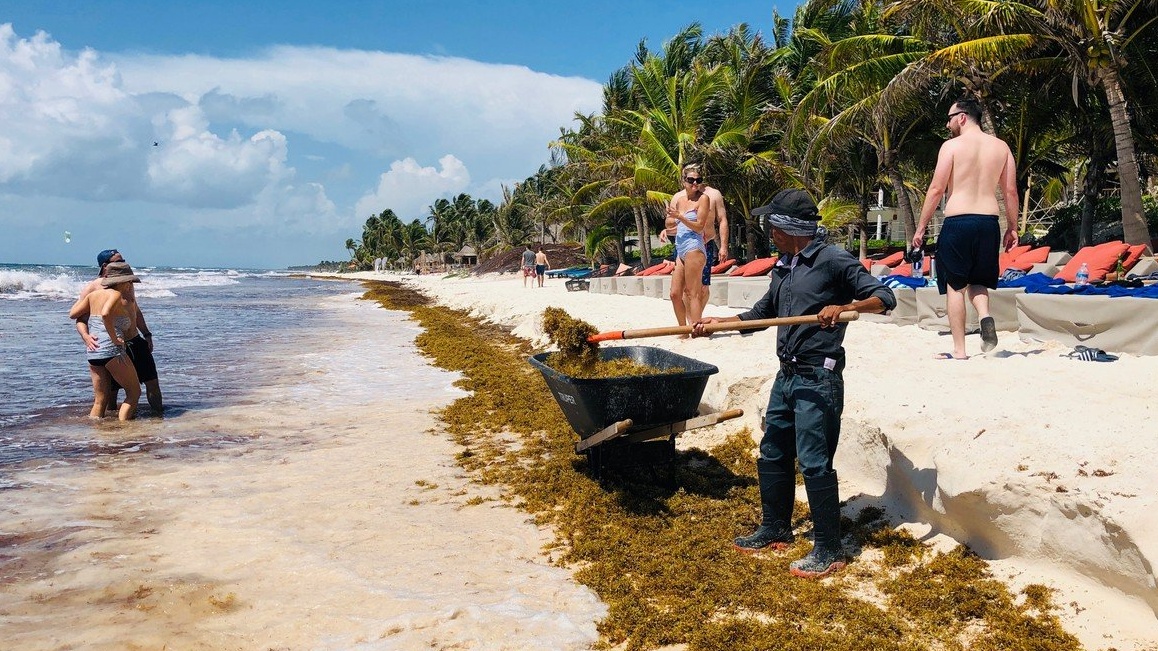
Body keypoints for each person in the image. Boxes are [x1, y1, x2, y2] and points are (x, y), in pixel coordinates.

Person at [692, 189, 896, 579]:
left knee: (815, 461)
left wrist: (847, 307)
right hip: (786, 375)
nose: (768, 229)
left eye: (772, 223)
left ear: (789, 227)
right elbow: (761, 315)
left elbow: (885, 298)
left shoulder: (833, 260)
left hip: (818, 376)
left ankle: (829, 550)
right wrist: (721, 325)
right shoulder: (784, 266)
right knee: (773, 451)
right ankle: (775, 528)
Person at [912, 96, 1019, 360]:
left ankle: (960, 350)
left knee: (955, 286)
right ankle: (985, 316)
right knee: (979, 281)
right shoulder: (1001, 147)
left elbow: (936, 189)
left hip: (958, 221)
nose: (948, 125)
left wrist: (921, 227)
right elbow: (1010, 191)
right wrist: (1013, 227)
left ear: (962, 117)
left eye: (949, 119)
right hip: (988, 222)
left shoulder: (951, 147)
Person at [75, 249, 163, 414]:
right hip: (112, 345)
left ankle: (159, 423)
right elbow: (79, 318)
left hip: (135, 340)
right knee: (111, 394)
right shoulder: (93, 288)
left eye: (123, 260)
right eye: (118, 261)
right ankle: (113, 429)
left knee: (152, 383)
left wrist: (147, 333)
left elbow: (134, 310)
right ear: (105, 266)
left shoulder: (127, 283)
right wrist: (86, 336)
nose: (123, 264)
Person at [68, 262, 144, 421]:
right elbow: (105, 313)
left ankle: (97, 435)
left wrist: (86, 336)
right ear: (122, 281)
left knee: (100, 399)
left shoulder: (92, 295)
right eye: (129, 281)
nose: (130, 284)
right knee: (134, 393)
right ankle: (124, 429)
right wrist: (114, 338)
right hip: (112, 350)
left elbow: (73, 314)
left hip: (93, 350)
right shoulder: (116, 295)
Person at [664, 166, 729, 320]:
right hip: (681, 245)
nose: (695, 182)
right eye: (691, 179)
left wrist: (724, 247)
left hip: (702, 243)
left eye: (698, 179)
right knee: (679, 291)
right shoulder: (678, 198)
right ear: (684, 180)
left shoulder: (712, 195)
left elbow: (722, 220)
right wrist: (666, 230)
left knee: (701, 288)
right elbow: (671, 223)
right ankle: (689, 321)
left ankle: (695, 321)